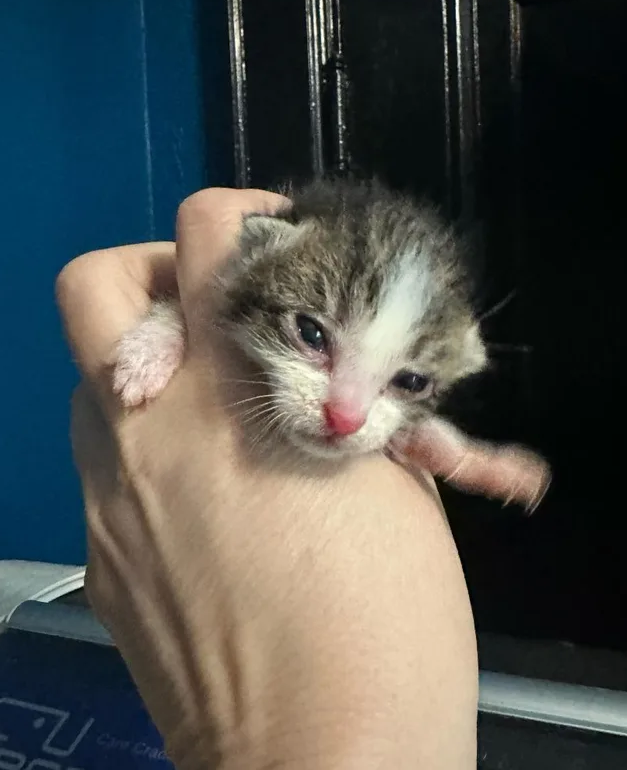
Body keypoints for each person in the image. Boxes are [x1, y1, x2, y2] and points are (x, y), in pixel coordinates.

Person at [55, 187, 480, 770]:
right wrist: (168, 327)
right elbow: (206, 308)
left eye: (405, 382)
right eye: (313, 336)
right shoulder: (251, 275)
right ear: (257, 254)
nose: (346, 416)